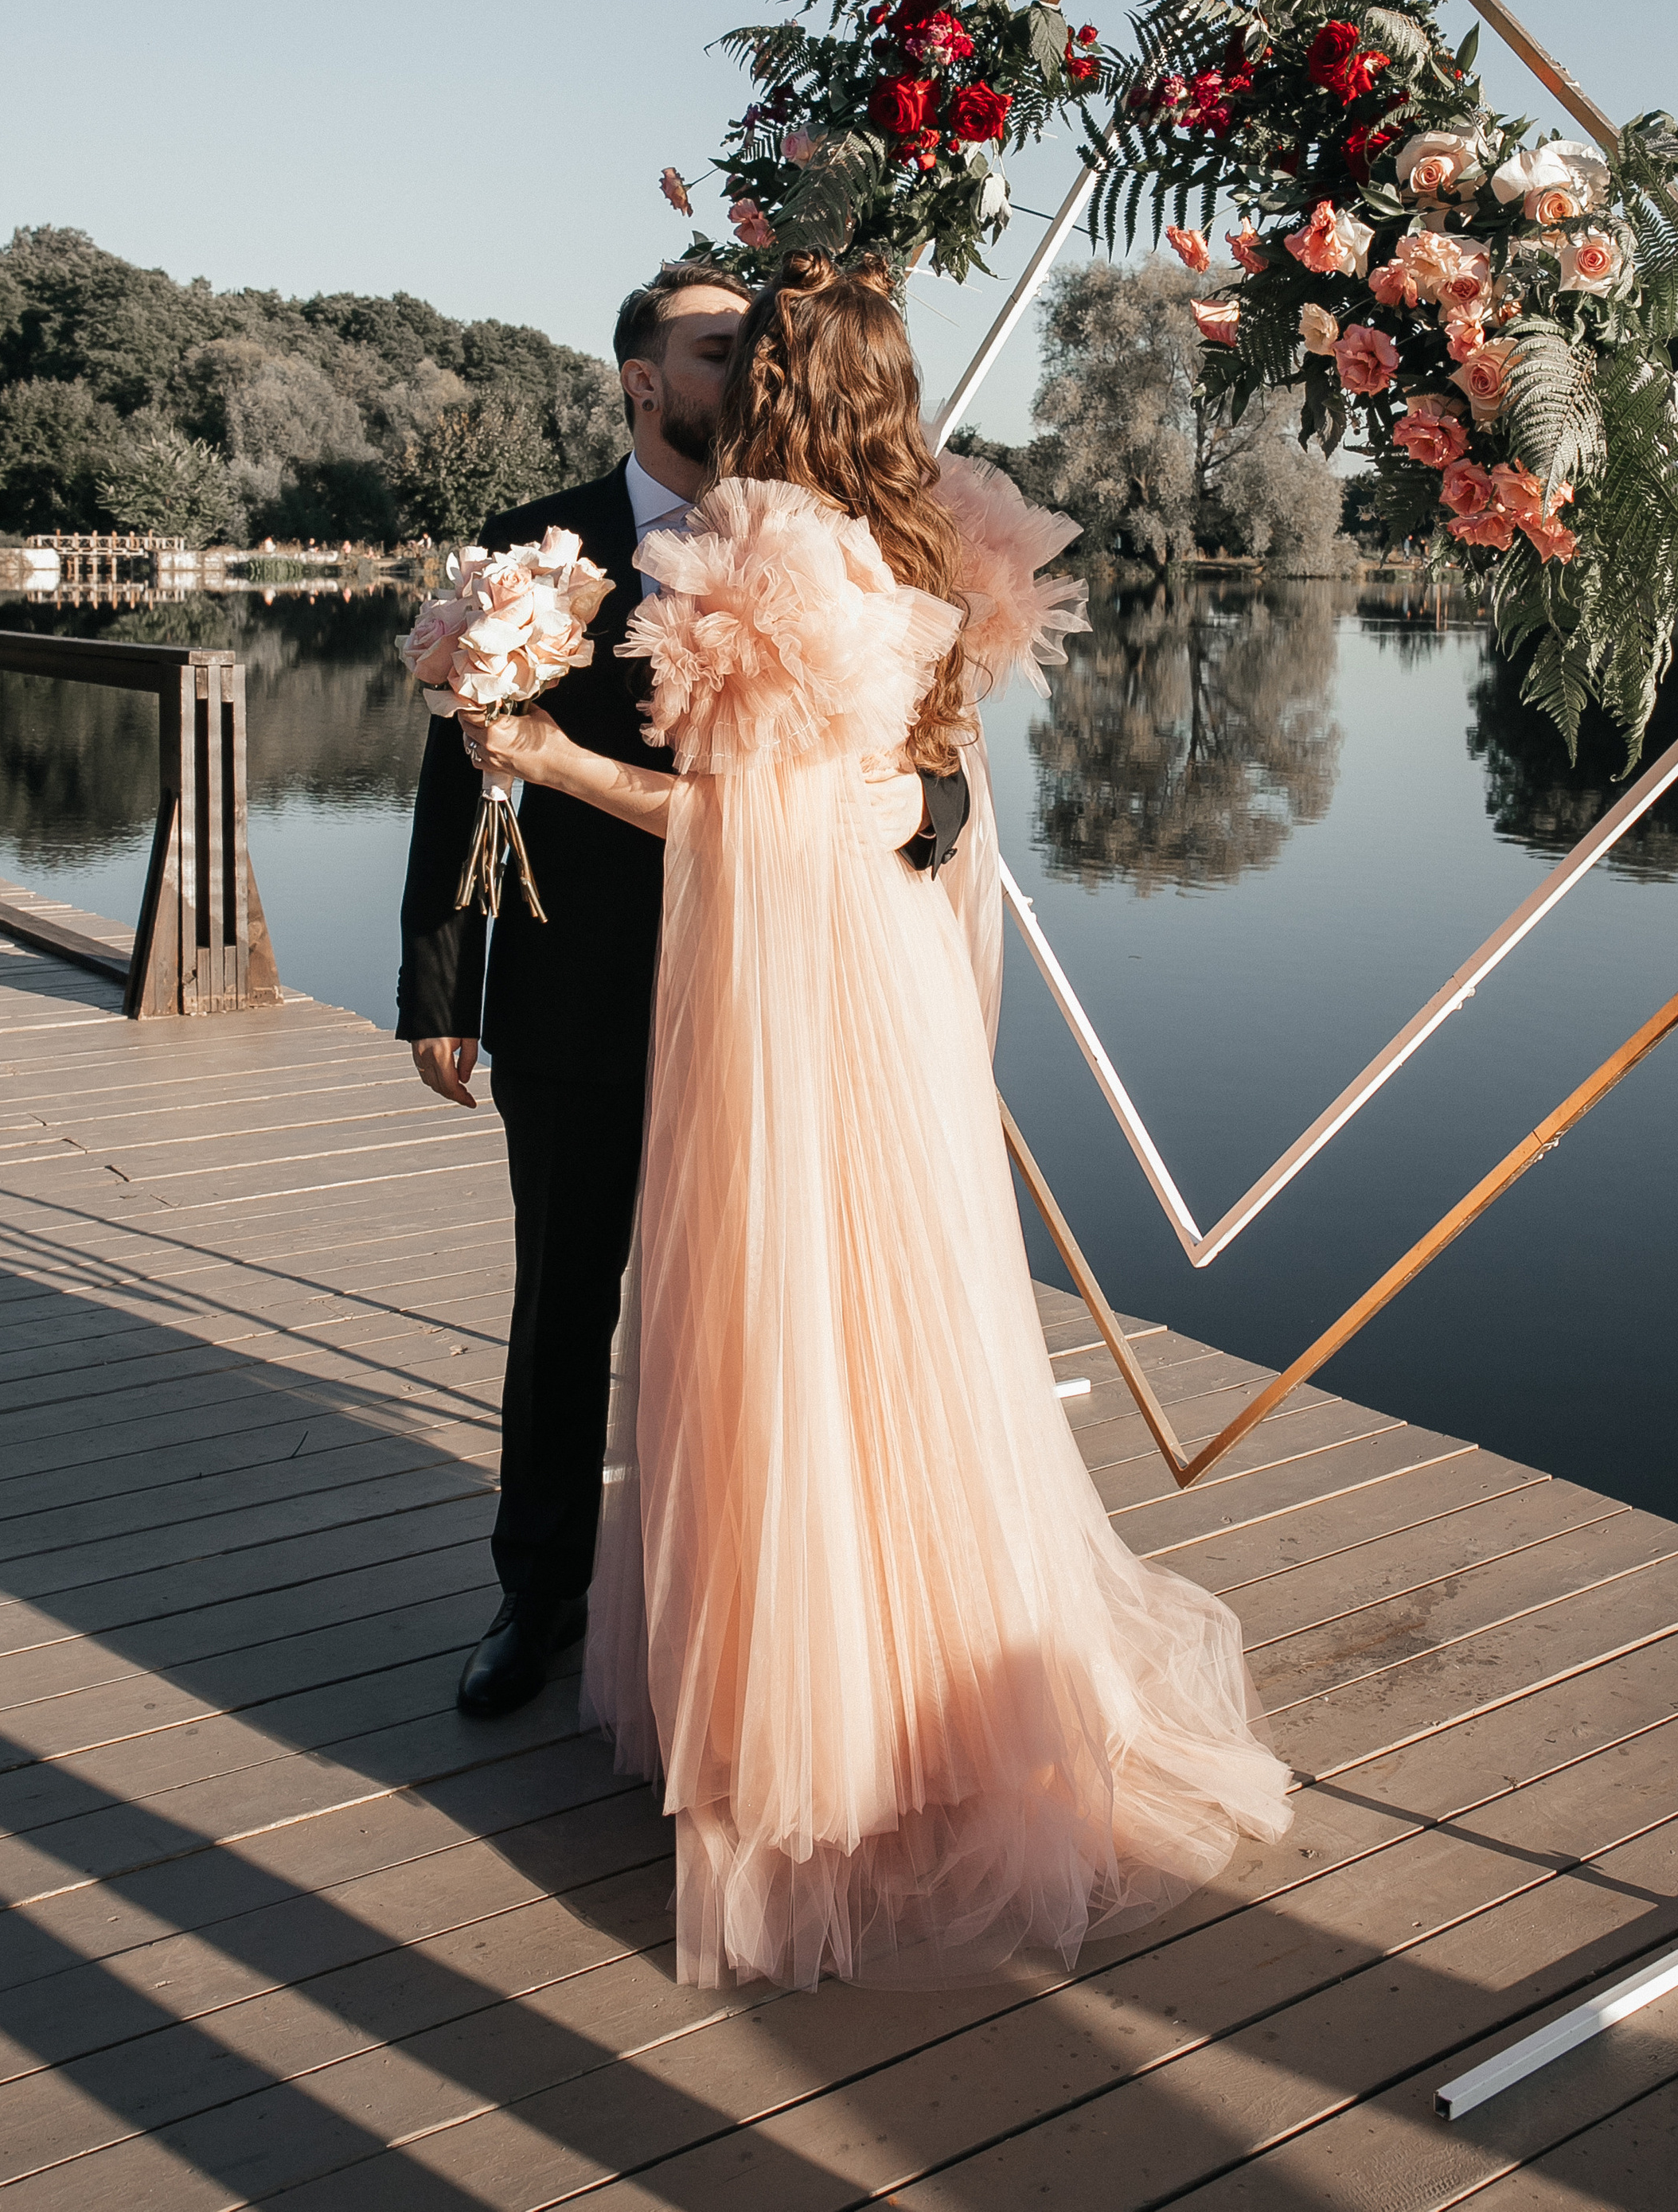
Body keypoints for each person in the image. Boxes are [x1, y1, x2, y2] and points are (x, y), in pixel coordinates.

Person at [466, 251, 1292, 1991]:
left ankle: (826, 1737)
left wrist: (536, 757)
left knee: (781, 1333)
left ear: (769, 381)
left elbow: (738, 827)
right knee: (895, 1332)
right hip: (892, 985)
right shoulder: (913, 531)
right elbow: (907, 779)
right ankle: (911, 1699)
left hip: (796, 990)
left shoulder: (767, 539)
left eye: (741, 352)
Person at [397, 258, 970, 1718]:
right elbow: (457, 771)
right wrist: (440, 982)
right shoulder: (538, 545)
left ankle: (723, 1621)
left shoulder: (824, 542)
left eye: (761, 347)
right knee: (565, 1302)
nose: (752, 368)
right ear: (645, 378)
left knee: (751, 1313)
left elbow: (930, 761)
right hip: (581, 991)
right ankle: (537, 1598)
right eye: (722, 347)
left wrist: (927, 811)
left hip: (785, 1006)